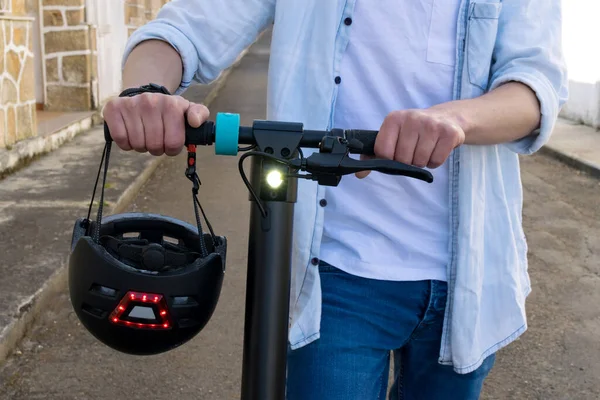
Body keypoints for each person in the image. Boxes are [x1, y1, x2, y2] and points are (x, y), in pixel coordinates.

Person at [103, 1, 568, 398]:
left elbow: (534, 86)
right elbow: (186, 25)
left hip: (469, 277)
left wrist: (456, 119)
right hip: (335, 276)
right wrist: (144, 93)